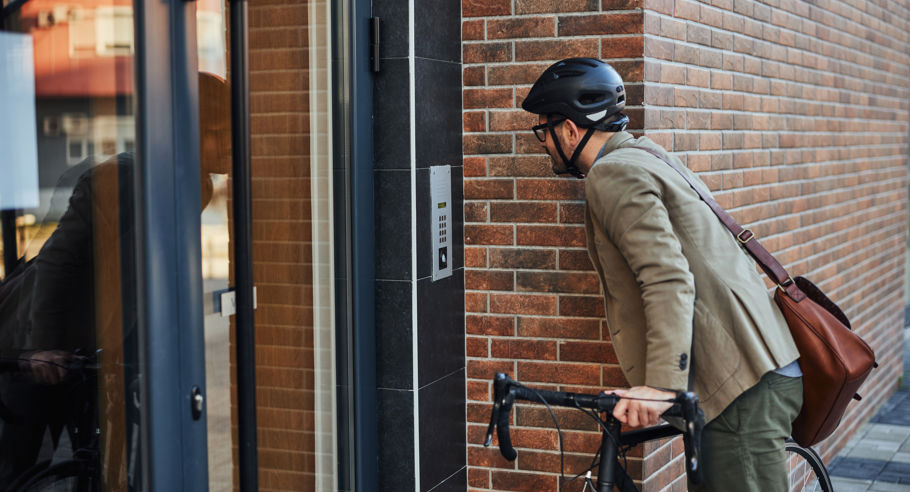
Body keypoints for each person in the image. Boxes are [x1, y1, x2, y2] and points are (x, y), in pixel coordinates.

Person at [520, 57, 803, 491]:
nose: (544, 143)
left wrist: (662, 387)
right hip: (746, 377)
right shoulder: (646, 154)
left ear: (571, 130)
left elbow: (667, 278)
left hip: (742, 392)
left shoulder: (612, 174)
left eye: (545, 131)